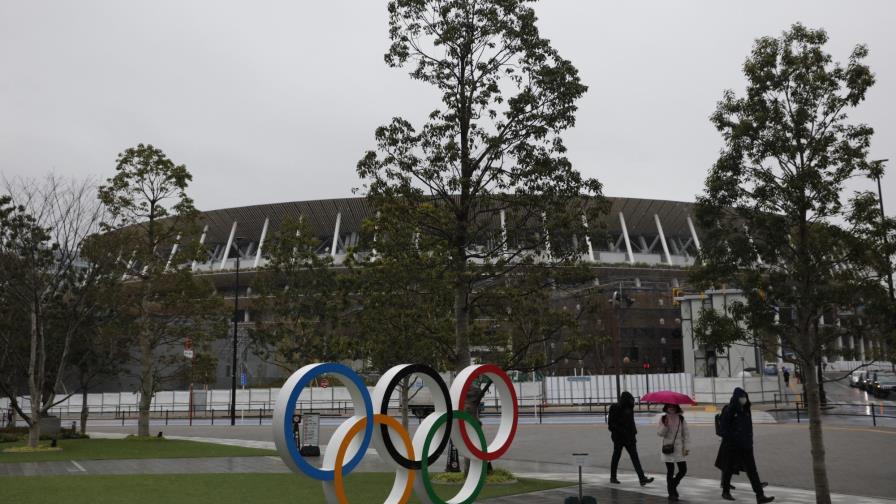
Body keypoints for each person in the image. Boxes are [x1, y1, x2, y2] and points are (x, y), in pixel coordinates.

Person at [715, 388, 774, 503]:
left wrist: (749, 441)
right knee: (728, 469)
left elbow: (748, 428)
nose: (744, 399)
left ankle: (760, 496)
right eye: (741, 397)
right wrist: (734, 438)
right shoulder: (729, 410)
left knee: (752, 470)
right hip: (732, 446)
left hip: (746, 446)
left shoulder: (746, 409)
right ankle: (725, 492)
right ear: (736, 398)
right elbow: (723, 429)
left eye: (745, 397)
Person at [608, 391, 654, 486]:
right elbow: (611, 424)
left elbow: (631, 423)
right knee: (618, 457)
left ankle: (641, 478)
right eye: (630, 400)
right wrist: (623, 431)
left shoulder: (629, 408)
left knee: (632, 457)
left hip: (629, 438)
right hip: (620, 438)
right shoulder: (615, 407)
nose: (632, 402)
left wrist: (633, 434)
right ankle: (613, 477)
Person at [657, 403, 689, 501]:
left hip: (679, 448)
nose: (671, 408)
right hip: (668, 448)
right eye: (669, 406)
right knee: (670, 471)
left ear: (676, 407)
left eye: (673, 406)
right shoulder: (663, 418)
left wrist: (686, 447)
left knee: (683, 470)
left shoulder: (681, 418)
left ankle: (673, 486)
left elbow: (686, 434)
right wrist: (665, 425)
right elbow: (660, 433)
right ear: (666, 407)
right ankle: (671, 493)